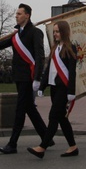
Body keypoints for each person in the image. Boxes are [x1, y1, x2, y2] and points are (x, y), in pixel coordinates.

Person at [0, 4, 48, 155]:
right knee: (29, 108)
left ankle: (12, 144)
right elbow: (0, 45)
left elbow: (39, 56)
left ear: (27, 16)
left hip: (28, 78)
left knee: (20, 109)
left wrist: (37, 78)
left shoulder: (35, 32)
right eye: (16, 13)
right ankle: (46, 136)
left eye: (19, 13)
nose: (16, 16)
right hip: (18, 76)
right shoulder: (16, 35)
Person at [28, 20, 79, 158]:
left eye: (57, 31)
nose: (55, 34)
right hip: (54, 88)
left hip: (64, 88)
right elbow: (49, 69)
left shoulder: (71, 48)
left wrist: (71, 91)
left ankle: (42, 147)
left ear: (64, 32)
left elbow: (72, 72)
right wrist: (42, 86)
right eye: (54, 31)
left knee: (53, 116)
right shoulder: (54, 48)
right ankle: (73, 147)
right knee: (62, 118)